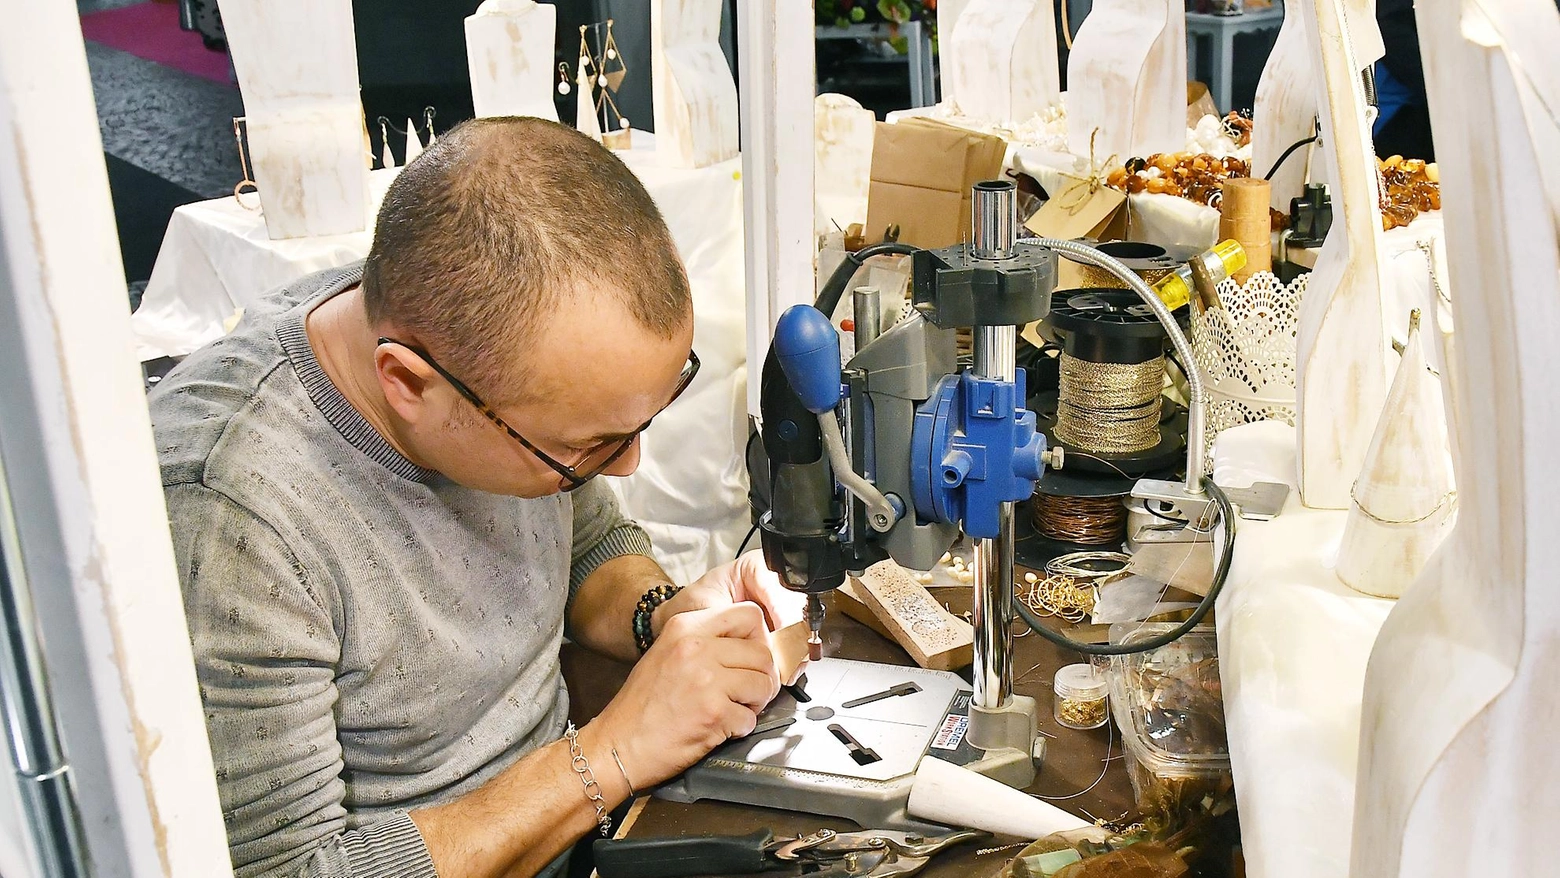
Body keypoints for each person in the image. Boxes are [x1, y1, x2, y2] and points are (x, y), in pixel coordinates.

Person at [149, 116, 803, 878]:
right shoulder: (233, 519)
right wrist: (614, 751)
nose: (626, 465)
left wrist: (662, 617)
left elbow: (586, 540)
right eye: (585, 445)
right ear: (407, 384)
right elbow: (290, 872)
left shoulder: (485, 369)